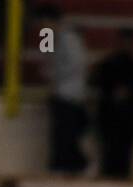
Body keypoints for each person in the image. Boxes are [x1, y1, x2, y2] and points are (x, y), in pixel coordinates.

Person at [36, 4, 89, 175]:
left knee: (67, 134)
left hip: (70, 94)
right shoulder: (48, 36)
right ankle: (60, 166)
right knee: (58, 134)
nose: (42, 27)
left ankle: (75, 166)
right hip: (58, 93)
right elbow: (45, 61)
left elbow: (77, 64)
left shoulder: (70, 38)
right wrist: (49, 75)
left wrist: (54, 75)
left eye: (43, 23)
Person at [91, 28, 133, 179]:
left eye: (129, 42)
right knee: (108, 155)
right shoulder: (107, 65)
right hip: (109, 117)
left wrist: (127, 93)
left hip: (128, 118)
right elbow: (96, 83)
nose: (126, 45)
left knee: (125, 156)